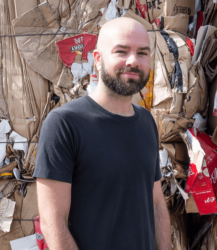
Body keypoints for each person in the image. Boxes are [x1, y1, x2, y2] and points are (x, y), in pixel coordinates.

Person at [34, 17, 171, 250]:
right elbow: (52, 224)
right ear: (98, 60)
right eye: (121, 51)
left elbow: (157, 203)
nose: (133, 61)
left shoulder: (146, 121)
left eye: (142, 53)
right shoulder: (64, 124)